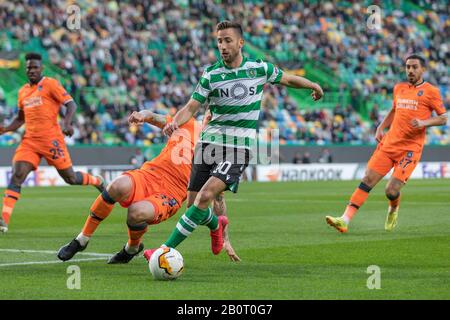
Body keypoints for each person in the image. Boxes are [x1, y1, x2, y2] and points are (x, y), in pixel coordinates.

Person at [143, 20, 323, 260]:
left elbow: (289, 80)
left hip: (238, 147)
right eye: (219, 41)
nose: (223, 46)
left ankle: (164, 250)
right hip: (209, 144)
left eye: (227, 40)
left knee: (206, 196)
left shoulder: (259, 69)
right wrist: (175, 121)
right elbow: (191, 106)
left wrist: (312, 84)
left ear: (241, 43)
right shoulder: (211, 74)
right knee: (193, 205)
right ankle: (216, 226)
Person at [57, 109, 240, 263]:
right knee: (115, 186)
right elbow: (155, 117)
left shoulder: (218, 150)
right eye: (211, 113)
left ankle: (131, 248)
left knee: (136, 213)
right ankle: (82, 240)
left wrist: (226, 239)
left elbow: (218, 199)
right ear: (206, 113)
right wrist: (142, 115)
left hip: (170, 194)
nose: (212, 118)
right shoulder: (187, 122)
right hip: (148, 175)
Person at [326, 54, 447, 233]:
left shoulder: (431, 91)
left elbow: (443, 118)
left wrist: (424, 123)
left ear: (423, 69)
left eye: (414, 67)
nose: (410, 70)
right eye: (408, 67)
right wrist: (380, 127)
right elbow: (394, 109)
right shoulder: (399, 88)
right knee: (367, 179)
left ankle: (393, 207)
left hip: (410, 150)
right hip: (389, 144)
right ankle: (344, 220)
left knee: (391, 190)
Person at [0, 53, 105, 233]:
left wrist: (67, 123)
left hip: (51, 140)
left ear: (41, 69)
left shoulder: (50, 84)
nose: (31, 70)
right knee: (17, 175)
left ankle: (97, 180)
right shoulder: (23, 91)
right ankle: (4, 221)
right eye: (28, 68)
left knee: (70, 178)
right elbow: (20, 119)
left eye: (34, 67)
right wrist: (5, 129)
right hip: (30, 141)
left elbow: (71, 104)